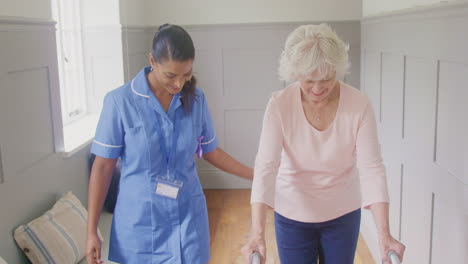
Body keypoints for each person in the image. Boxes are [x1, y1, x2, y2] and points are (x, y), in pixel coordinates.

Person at [86, 24, 253, 264]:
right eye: (171, 75)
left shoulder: (196, 99)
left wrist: (255, 175)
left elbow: (210, 150)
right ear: (152, 61)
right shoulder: (119, 102)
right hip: (139, 225)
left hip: (187, 218)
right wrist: (91, 230)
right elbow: (102, 167)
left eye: (186, 75)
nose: (178, 84)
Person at [241, 24, 406, 264]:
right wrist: (256, 233)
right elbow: (266, 167)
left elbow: (372, 168)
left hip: (343, 214)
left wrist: (384, 234)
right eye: (309, 80)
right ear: (294, 73)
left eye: (326, 79)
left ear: (337, 70)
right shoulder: (279, 105)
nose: (318, 89)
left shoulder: (359, 105)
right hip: (292, 215)